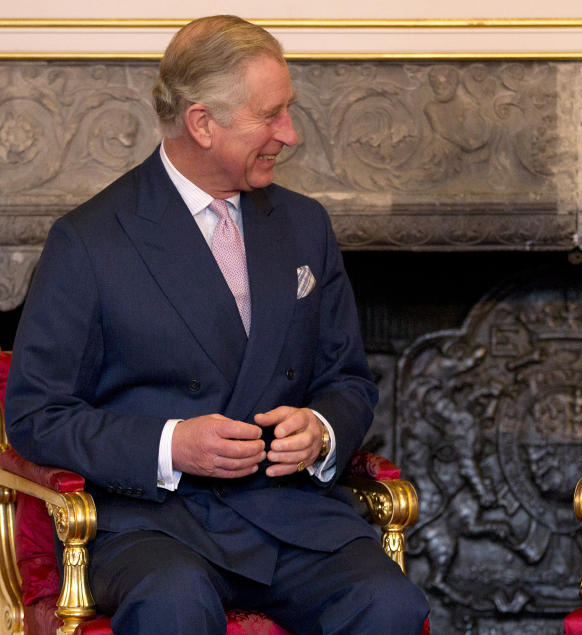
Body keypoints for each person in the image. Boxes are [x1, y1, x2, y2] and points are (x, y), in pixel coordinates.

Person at [4, 15, 429, 635]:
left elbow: (349, 381)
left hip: (289, 515)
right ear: (202, 123)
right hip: (154, 524)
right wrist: (171, 445)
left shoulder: (305, 224)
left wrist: (321, 429)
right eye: (270, 115)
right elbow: (35, 415)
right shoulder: (91, 240)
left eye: (289, 111)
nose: (289, 134)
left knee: (390, 604)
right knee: (174, 603)